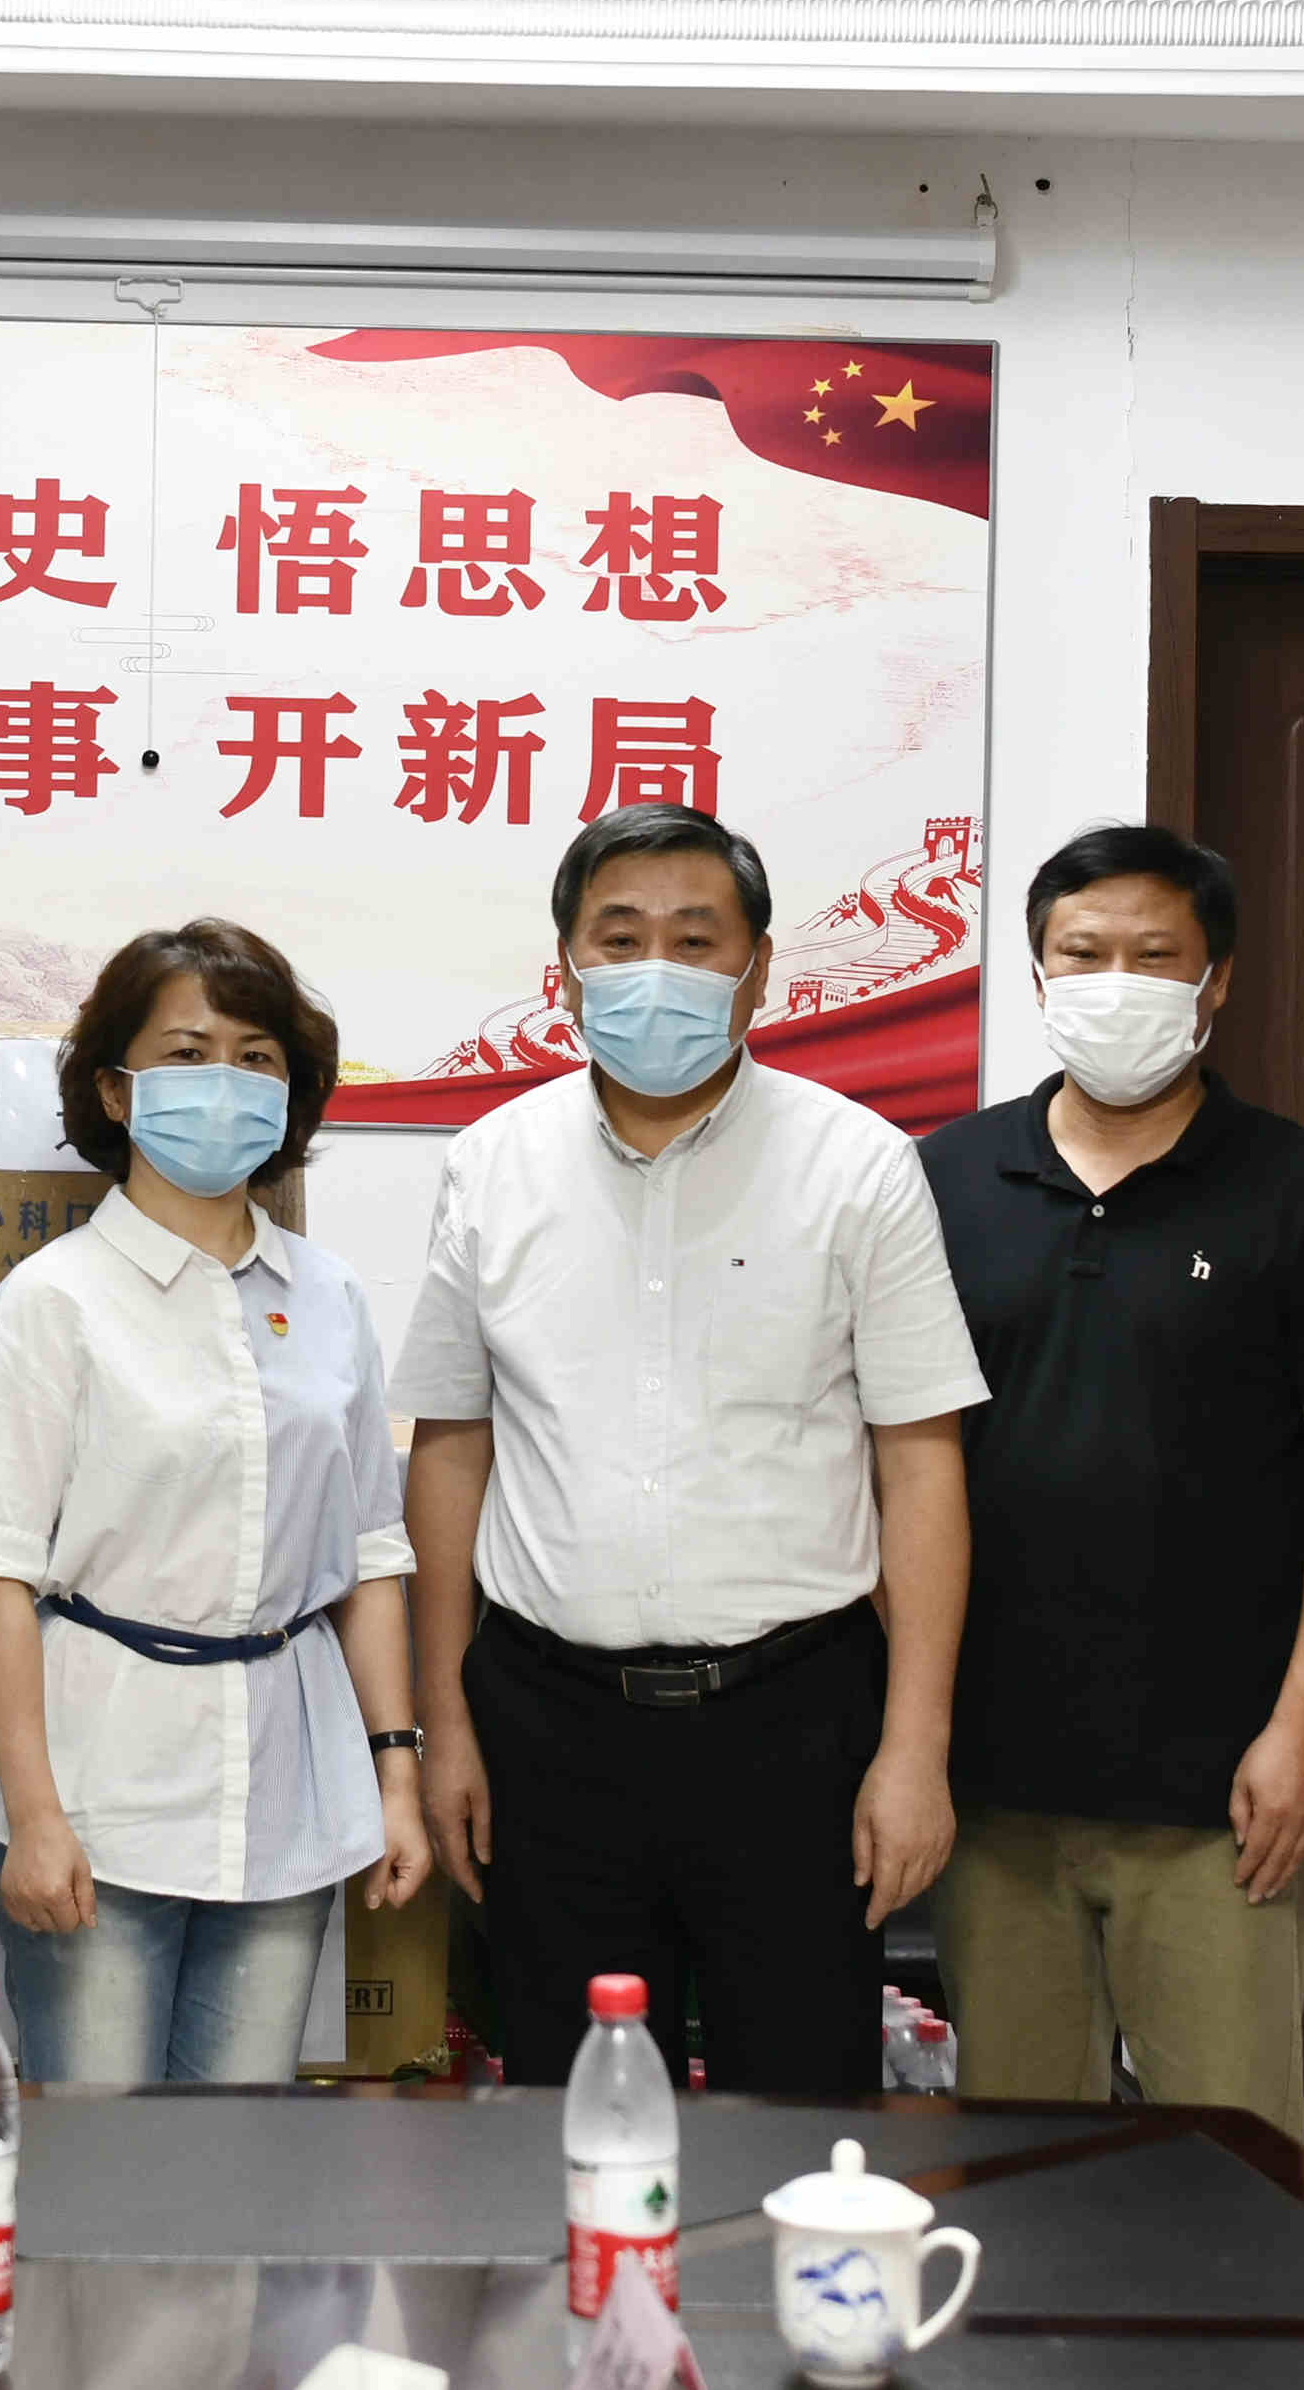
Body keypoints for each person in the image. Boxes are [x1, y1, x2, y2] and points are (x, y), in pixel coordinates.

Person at [400, 801, 988, 2094]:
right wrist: (444, 1725)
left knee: (800, 2110)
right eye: (619, 940)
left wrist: (914, 1747)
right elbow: (448, 1448)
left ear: (757, 968)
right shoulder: (492, 1165)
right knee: (575, 2112)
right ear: (565, 971)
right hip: (548, 1726)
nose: (653, 969)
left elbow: (919, 1463)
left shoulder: (859, 1165)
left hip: (793, 1724)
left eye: (693, 937)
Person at [918, 824, 1304, 2119]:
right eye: (1083, 955)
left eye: (1153, 956)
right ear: (1037, 973)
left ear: (1215, 979)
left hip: (1219, 1788)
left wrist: (1301, 1732)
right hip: (990, 1783)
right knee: (1015, 2166)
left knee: (1229, 2165)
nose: (1114, 983)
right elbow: (899, 1467)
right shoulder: (943, 1178)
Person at [0, 920, 433, 2083]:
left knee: (241, 2152)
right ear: (114, 1091)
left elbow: (371, 1553)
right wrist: (36, 1816)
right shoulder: (54, 1302)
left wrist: (395, 1777)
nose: (223, 1081)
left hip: (287, 1791)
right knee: (98, 2149)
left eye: (255, 1057)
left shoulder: (328, 1297)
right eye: (185, 1053)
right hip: (98, 1798)